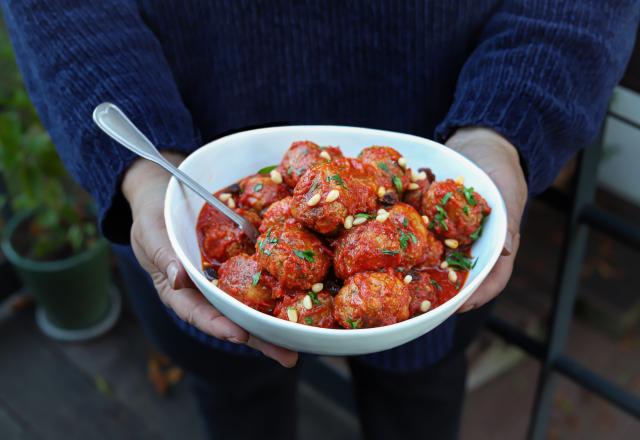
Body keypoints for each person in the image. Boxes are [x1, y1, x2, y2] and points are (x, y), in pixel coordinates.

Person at [2, 1, 638, 438]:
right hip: (187, 178)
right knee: (236, 399)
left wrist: (502, 126)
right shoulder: (241, 225)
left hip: (447, 168)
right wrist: (147, 170)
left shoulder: (416, 238)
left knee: (419, 403)